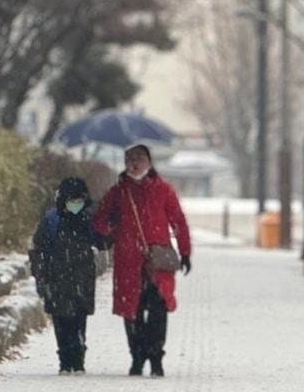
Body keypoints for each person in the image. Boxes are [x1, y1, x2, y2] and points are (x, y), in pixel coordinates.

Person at [93, 143, 192, 377]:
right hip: (129, 261)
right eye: (130, 159)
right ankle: (137, 357)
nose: (134, 163)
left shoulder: (163, 190)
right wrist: (111, 224)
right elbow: (100, 222)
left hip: (157, 262)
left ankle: (156, 357)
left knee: (159, 310)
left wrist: (185, 252)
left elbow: (178, 221)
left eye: (139, 158)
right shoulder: (118, 192)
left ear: (149, 162)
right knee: (132, 311)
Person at [29, 176, 104, 374]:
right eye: (72, 200)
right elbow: (39, 250)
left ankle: (78, 358)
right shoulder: (51, 221)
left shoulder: (89, 220)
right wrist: (41, 277)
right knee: (61, 321)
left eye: (79, 200)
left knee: (79, 320)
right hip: (56, 279)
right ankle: (65, 359)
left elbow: (102, 242)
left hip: (82, 278)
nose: (75, 204)